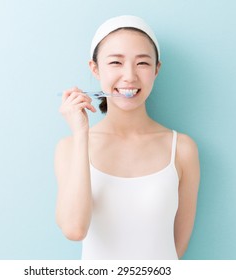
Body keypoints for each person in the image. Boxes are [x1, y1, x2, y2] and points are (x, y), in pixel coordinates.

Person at [55, 15, 200, 260]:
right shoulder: (70, 147)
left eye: (142, 63)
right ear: (95, 68)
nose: (130, 76)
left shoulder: (182, 149)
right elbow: (74, 229)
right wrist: (82, 134)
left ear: (156, 70)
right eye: (116, 62)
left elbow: (176, 249)